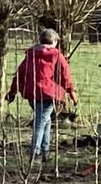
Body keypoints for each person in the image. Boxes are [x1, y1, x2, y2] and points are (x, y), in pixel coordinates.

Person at [7, 29, 78, 159]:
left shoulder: (30, 55)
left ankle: (45, 151)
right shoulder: (56, 55)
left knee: (45, 119)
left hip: (31, 93)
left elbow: (19, 75)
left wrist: (12, 92)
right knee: (40, 122)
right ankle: (35, 153)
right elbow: (65, 76)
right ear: (54, 41)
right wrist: (71, 92)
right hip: (49, 93)